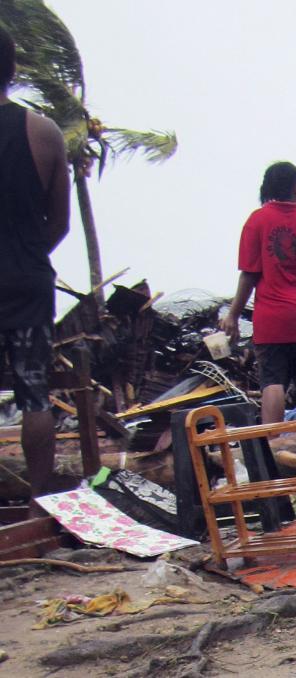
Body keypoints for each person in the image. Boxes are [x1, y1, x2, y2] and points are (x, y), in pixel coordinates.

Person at [0, 25, 70, 503]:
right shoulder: (42, 132)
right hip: (26, 280)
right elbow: (60, 222)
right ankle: (38, 502)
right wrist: (24, 253)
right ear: (15, 69)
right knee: (34, 395)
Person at [220, 162, 296, 426]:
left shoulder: (257, 221)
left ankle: (273, 449)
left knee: (273, 383)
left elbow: (249, 274)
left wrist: (233, 315)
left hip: (273, 320)